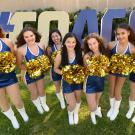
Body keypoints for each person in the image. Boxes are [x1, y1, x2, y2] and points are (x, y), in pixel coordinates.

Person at [0, 27, 29, 129]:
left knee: (17, 101)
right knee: (3, 105)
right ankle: (12, 118)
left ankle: (23, 113)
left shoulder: (7, 42)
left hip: (9, 78)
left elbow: (15, 58)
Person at [16, 26, 49, 114]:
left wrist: (43, 66)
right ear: (23, 38)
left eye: (31, 35)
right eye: (26, 37)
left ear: (35, 35)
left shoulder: (41, 44)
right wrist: (31, 67)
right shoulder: (21, 50)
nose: (30, 38)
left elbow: (45, 58)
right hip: (28, 75)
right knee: (34, 93)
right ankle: (39, 106)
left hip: (40, 74)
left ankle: (44, 104)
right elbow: (19, 65)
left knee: (41, 91)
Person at [107, 23, 135, 121]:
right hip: (112, 71)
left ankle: (116, 109)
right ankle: (112, 107)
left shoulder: (132, 48)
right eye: (118, 34)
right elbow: (106, 59)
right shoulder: (111, 45)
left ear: (128, 33)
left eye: (123, 33)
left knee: (117, 91)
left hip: (123, 73)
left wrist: (128, 67)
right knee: (111, 90)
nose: (120, 36)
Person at [54, 32, 83, 125]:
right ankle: (70, 113)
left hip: (78, 82)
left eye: (73, 42)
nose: (71, 44)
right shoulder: (60, 54)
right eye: (68, 42)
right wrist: (66, 73)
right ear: (64, 43)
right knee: (72, 104)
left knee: (78, 100)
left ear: (76, 43)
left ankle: (75, 113)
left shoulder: (79, 53)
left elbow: (83, 68)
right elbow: (55, 69)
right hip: (67, 82)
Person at [83, 33, 108, 124]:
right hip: (90, 83)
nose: (92, 46)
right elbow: (85, 71)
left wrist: (103, 67)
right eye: (90, 44)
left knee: (97, 100)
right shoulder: (87, 56)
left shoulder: (104, 54)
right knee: (92, 105)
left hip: (100, 82)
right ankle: (93, 112)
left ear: (99, 43)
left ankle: (96, 110)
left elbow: (107, 69)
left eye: (94, 43)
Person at [46, 29, 65, 109]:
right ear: (51, 38)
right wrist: (51, 72)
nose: (55, 38)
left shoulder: (66, 45)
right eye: (53, 36)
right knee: (57, 87)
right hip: (55, 70)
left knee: (66, 86)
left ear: (60, 36)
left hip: (66, 69)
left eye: (56, 35)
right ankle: (61, 101)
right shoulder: (50, 48)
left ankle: (67, 97)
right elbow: (49, 62)